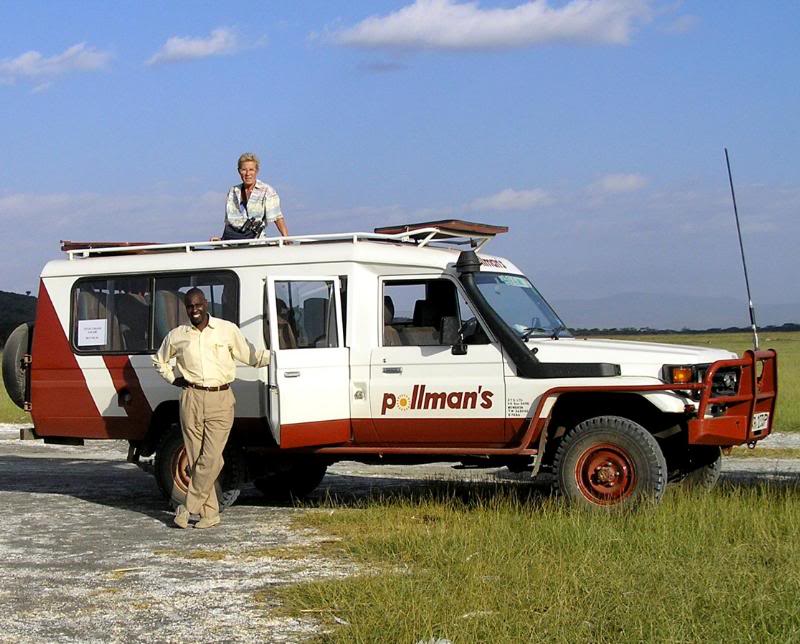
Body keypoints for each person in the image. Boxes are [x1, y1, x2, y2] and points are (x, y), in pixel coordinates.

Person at [152, 287, 269, 529]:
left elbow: (252, 356)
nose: (194, 310)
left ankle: (188, 507)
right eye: (189, 307)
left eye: (198, 305)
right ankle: (211, 513)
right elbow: (159, 359)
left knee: (212, 457)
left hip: (221, 398)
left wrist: (281, 356)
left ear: (206, 304)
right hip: (191, 397)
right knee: (196, 460)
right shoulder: (178, 335)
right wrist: (173, 379)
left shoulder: (227, 330)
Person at [222, 152, 288, 239]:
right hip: (234, 240)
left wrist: (286, 238)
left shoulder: (267, 190)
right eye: (244, 170)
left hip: (256, 240)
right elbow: (229, 222)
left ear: (257, 171)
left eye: (251, 170)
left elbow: (277, 217)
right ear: (239, 171)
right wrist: (222, 239)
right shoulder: (233, 191)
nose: (247, 173)